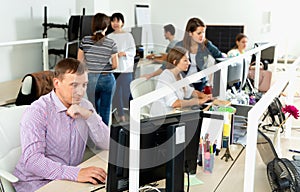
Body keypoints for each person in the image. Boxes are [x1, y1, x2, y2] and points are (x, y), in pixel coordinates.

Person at [13, 58, 110, 192]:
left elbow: (107, 144)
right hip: (36, 182)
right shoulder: (37, 112)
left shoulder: (84, 105)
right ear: (57, 83)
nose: (81, 92)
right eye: (74, 85)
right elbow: (33, 161)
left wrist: (89, 115)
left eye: (84, 85)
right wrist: (76, 173)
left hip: (68, 179)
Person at [143, 18, 224, 92]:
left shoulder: (207, 45)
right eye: (199, 33)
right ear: (190, 33)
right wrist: (151, 75)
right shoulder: (180, 45)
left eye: (203, 32)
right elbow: (167, 65)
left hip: (200, 85)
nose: (202, 36)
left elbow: (220, 57)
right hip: (183, 84)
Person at [77, 13, 118, 125]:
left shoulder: (85, 40)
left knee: (93, 109)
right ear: (106, 26)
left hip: (91, 79)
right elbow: (115, 65)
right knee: (105, 110)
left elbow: (80, 62)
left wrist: (91, 66)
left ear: (93, 25)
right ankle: (104, 138)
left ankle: (93, 135)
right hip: (107, 78)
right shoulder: (111, 43)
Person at [150, 46, 213, 116]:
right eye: (185, 60)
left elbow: (190, 91)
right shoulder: (165, 77)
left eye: (188, 60)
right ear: (175, 62)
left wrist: (205, 96)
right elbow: (174, 103)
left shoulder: (179, 75)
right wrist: (196, 102)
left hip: (174, 113)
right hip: (162, 117)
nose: (189, 63)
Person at [107, 12, 136, 122]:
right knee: (116, 93)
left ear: (122, 23)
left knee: (127, 93)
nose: (115, 23)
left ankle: (134, 114)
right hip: (114, 68)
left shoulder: (128, 35)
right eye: (113, 21)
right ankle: (121, 115)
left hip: (125, 69)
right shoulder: (109, 37)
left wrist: (123, 53)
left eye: (117, 21)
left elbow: (133, 51)